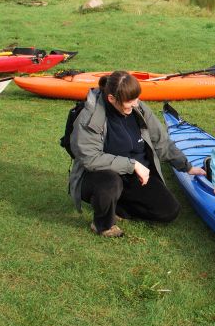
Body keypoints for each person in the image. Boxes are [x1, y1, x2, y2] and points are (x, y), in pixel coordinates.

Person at [67, 70, 206, 237]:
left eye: (136, 99)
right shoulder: (89, 117)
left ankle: (117, 207)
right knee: (110, 183)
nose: (135, 105)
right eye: (129, 102)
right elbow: (91, 159)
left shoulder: (138, 107)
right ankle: (103, 224)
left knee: (169, 210)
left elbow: (160, 140)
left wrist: (186, 166)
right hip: (100, 175)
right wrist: (132, 165)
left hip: (137, 175)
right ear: (111, 99)